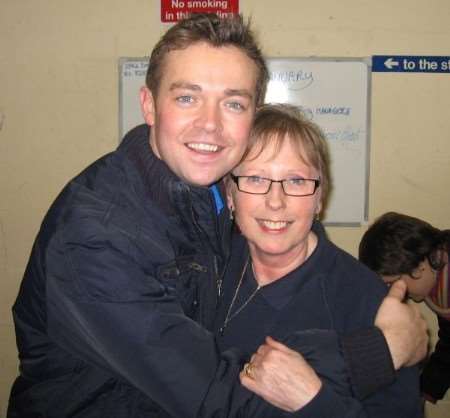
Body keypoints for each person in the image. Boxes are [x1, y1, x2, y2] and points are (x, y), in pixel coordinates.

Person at [7, 13, 426, 418]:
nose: (209, 125)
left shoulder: (204, 207)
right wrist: (378, 351)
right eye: (187, 97)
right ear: (149, 105)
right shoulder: (97, 237)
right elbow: (214, 395)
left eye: (233, 103)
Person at [214, 103, 422, 417]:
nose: (275, 201)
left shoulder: (367, 303)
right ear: (230, 195)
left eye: (296, 181)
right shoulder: (205, 265)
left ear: (319, 198)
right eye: (256, 178)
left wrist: (316, 402)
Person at [359, 211, 450, 404]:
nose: (394, 294)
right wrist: (426, 391)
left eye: (393, 284)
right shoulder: (439, 288)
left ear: (418, 267)